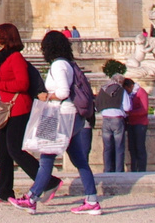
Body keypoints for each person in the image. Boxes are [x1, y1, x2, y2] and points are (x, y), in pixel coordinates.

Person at [15, 30, 100, 215]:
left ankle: (32, 198)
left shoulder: (58, 65)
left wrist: (47, 96)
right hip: (68, 115)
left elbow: (63, 92)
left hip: (59, 115)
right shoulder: (67, 64)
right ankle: (92, 200)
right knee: (79, 161)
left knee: (46, 158)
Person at [0, 23, 58, 206]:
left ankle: (49, 182)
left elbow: (22, 84)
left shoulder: (15, 58)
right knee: (3, 151)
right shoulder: (4, 57)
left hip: (18, 109)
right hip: (7, 108)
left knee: (15, 150)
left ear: (6, 37)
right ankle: (4, 191)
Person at [94, 66, 130, 173]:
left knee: (107, 147)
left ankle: (108, 170)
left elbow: (96, 106)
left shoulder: (103, 89)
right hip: (117, 120)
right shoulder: (121, 90)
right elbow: (127, 107)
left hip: (106, 119)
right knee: (119, 147)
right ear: (120, 81)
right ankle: (119, 171)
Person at [122, 77, 149, 172]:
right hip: (131, 123)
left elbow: (144, 110)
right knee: (132, 148)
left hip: (140, 123)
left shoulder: (141, 93)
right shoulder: (131, 95)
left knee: (140, 147)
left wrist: (130, 113)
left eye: (127, 89)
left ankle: (141, 169)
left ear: (131, 86)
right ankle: (134, 169)